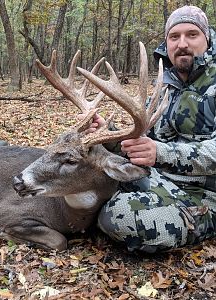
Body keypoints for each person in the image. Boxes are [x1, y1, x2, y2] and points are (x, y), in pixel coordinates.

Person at [89, 5, 216, 253]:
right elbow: (144, 142)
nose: (182, 44)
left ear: (207, 38)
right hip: (157, 180)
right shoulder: (163, 86)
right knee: (88, 179)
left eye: (192, 34)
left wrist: (161, 153)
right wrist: (110, 133)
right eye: (174, 36)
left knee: (120, 217)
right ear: (166, 42)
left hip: (205, 196)